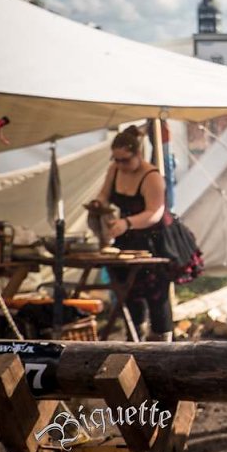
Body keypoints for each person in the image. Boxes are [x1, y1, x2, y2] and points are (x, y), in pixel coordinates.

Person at [91, 125, 174, 342]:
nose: (120, 165)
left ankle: (163, 345)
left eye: (125, 160)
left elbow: (154, 213)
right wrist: (98, 203)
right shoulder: (115, 170)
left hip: (153, 238)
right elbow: (104, 194)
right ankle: (135, 338)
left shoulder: (152, 176)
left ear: (138, 154)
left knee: (156, 295)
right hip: (126, 237)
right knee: (128, 291)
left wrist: (127, 222)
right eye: (116, 160)